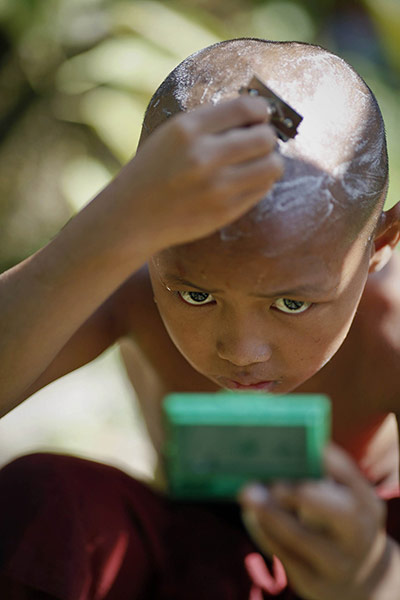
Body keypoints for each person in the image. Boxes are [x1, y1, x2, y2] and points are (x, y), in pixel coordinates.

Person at [0, 37, 399, 599]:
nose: (241, 351)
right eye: (194, 296)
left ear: (380, 245)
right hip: (190, 547)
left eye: (291, 304)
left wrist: (378, 578)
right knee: (38, 500)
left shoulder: (391, 328)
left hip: (357, 550)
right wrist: (107, 230)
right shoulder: (130, 285)